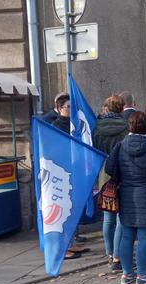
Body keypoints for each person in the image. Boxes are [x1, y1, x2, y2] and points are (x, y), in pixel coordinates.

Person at [105, 112, 146, 284]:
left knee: (127, 236)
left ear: (129, 126)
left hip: (126, 195)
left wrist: (119, 180)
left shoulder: (120, 146)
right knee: (145, 238)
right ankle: (143, 275)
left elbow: (110, 168)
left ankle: (127, 274)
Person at [93, 95, 129, 272]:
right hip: (122, 173)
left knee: (108, 216)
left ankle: (109, 254)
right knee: (121, 216)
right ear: (122, 108)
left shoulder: (96, 127)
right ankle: (117, 257)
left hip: (103, 174)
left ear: (106, 108)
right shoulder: (125, 126)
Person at [49, 95, 88, 259]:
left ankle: (71, 242)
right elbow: (54, 151)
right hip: (62, 173)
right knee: (63, 211)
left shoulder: (76, 125)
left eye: (73, 107)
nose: (71, 110)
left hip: (75, 170)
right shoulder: (55, 127)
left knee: (73, 208)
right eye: (67, 107)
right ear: (59, 109)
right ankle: (63, 248)